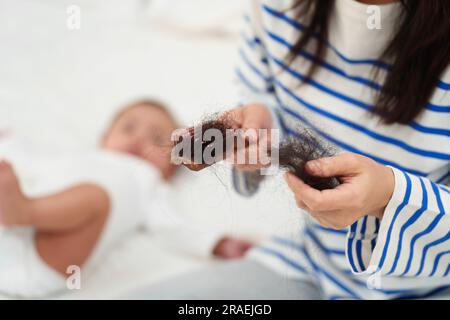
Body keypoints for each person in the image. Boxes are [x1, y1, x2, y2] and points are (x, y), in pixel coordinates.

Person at [129, 0, 450, 299]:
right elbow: (262, 98)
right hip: (309, 265)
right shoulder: (278, 7)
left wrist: (388, 197)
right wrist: (262, 125)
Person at [0, 100, 252, 298]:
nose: (138, 139)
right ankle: (22, 209)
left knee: (95, 197)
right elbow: (33, 163)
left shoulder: (150, 182)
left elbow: (173, 227)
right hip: (8, 240)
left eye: (157, 139)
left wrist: (216, 243)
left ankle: (25, 210)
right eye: (128, 128)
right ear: (105, 138)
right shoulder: (79, 159)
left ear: (173, 165)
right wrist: (11, 143)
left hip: (46, 258)